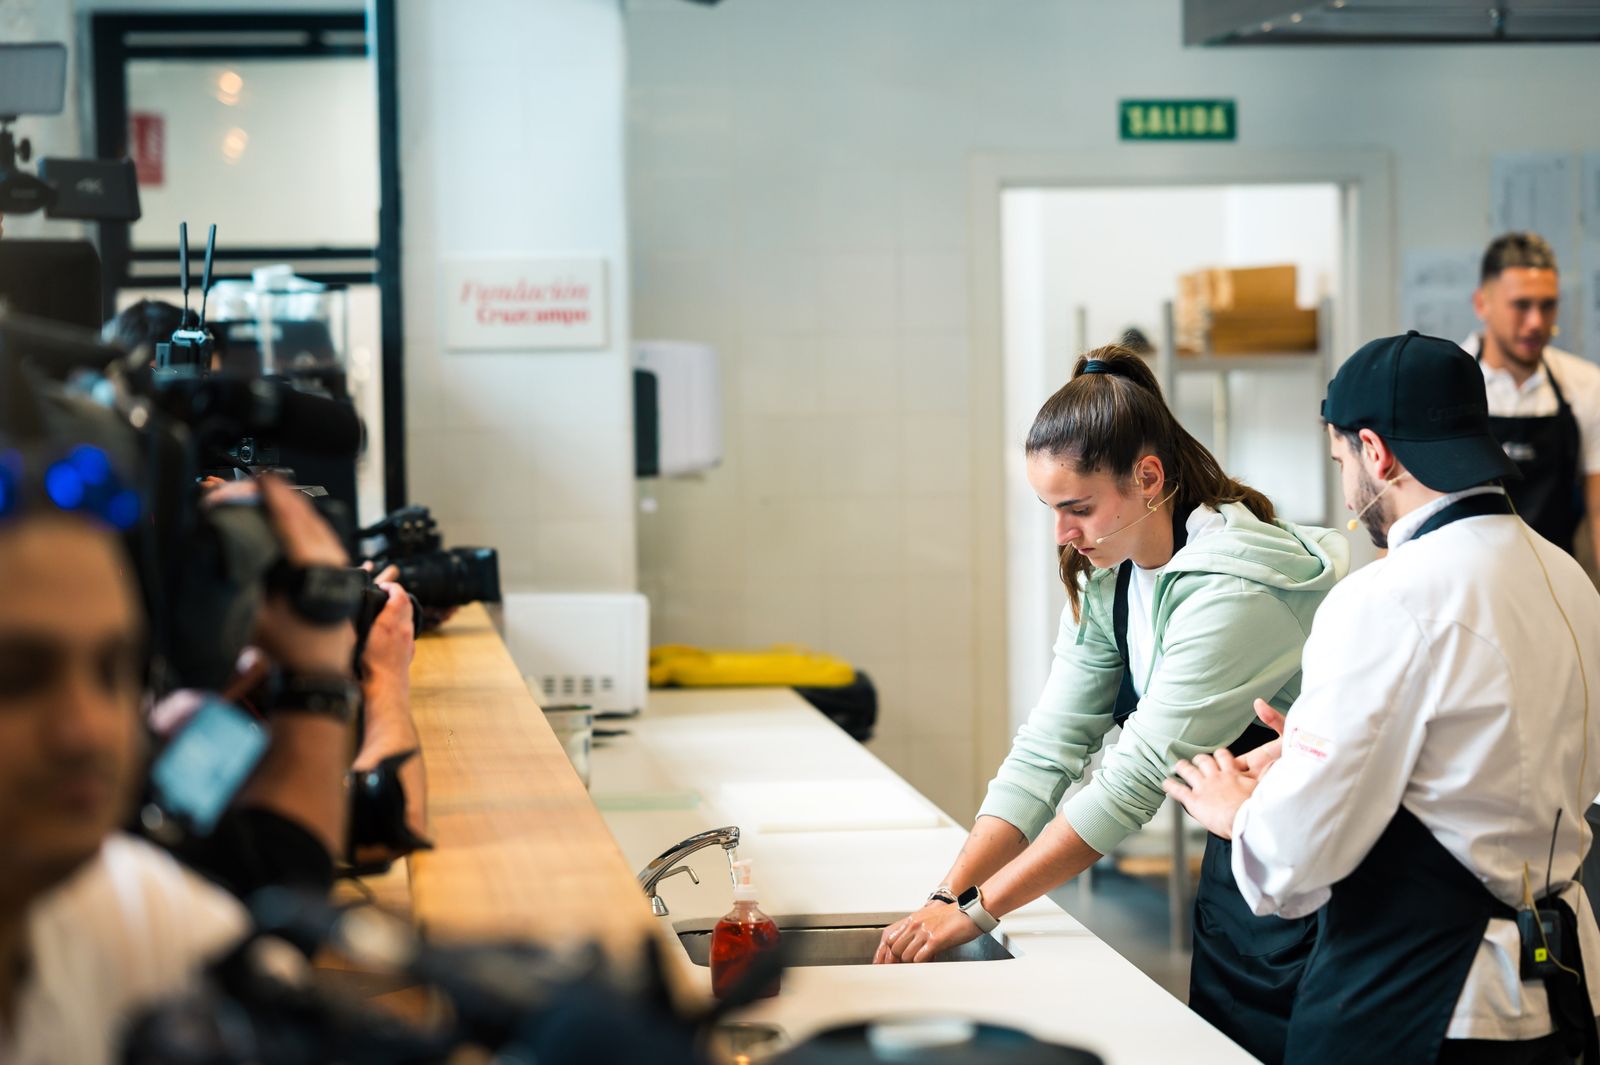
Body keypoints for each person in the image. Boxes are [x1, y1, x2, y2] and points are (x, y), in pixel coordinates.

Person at [874, 345, 1349, 1065]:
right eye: (1051, 510)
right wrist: (949, 893)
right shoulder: (1112, 573)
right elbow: (1048, 748)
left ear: (1148, 478)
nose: (1062, 533)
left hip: (1326, 870)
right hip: (1238, 857)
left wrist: (979, 910)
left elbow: (1130, 780)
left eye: (1078, 508)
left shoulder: (1235, 590)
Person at [1166, 330, 1600, 1065]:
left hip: (1424, 1002)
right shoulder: (1570, 580)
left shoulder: (1385, 595)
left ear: (1375, 452)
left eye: (1340, 462)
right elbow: (1483, 767)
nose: (1344, 491)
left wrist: (1241, 812)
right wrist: (1309, 744)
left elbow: (1294, 861)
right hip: (1556, 992)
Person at [1460, 232, 1600, 561]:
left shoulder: (1587, 385)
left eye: (1547, 305)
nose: (1536, 322)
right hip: (1470, 588)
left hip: (1556, 585)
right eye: (1521, 305)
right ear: (1482, 304)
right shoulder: (1448, 385)